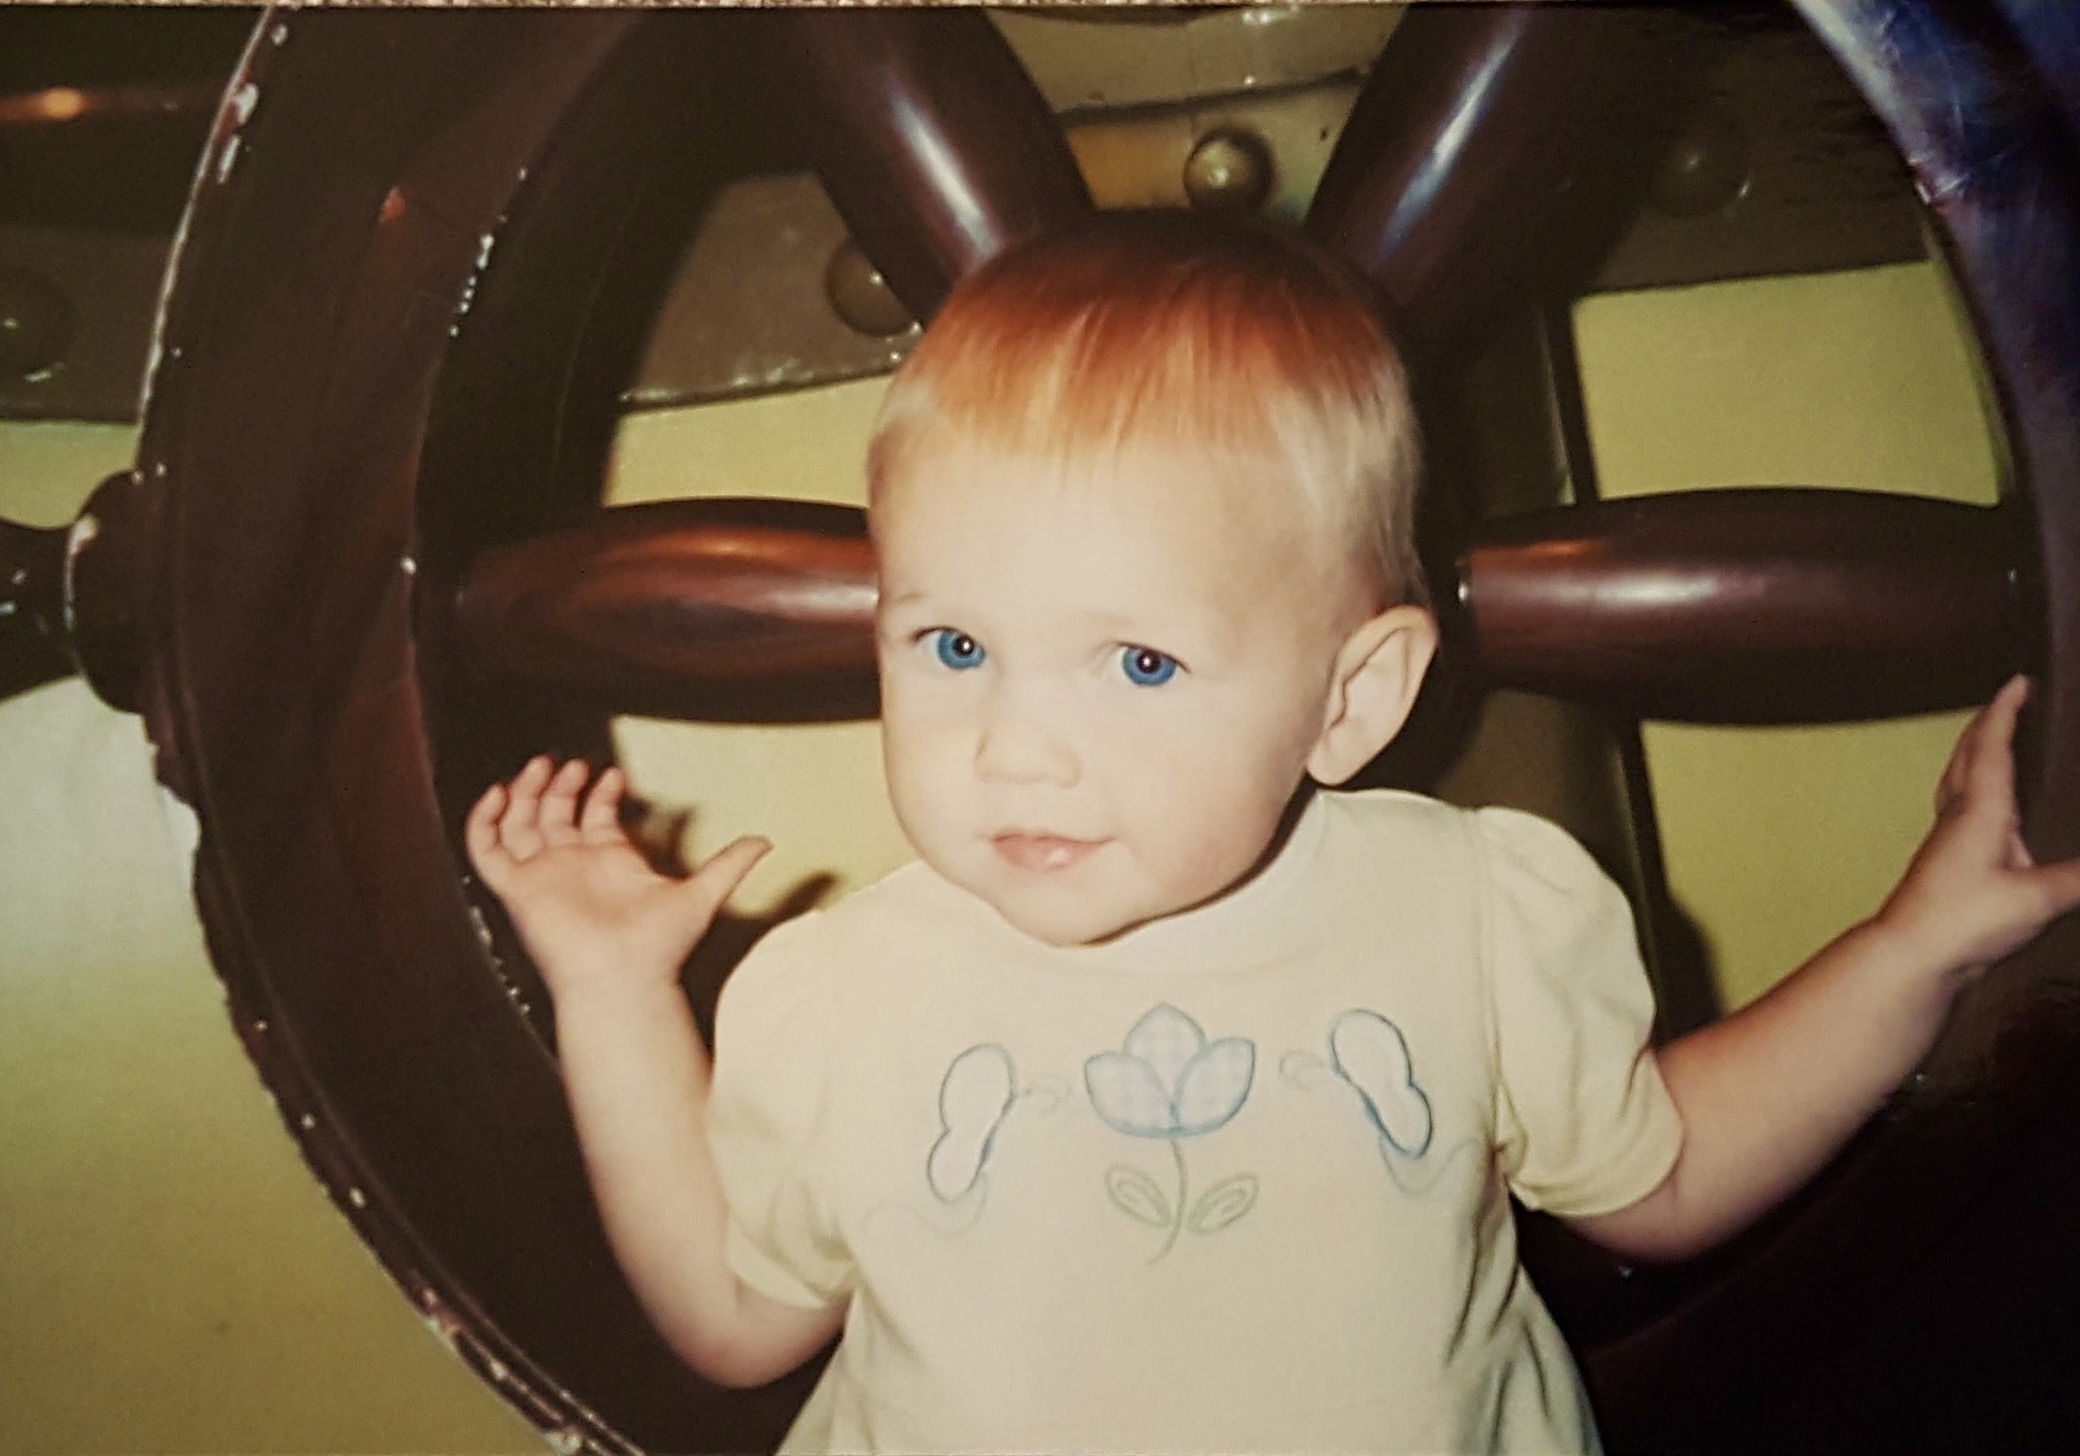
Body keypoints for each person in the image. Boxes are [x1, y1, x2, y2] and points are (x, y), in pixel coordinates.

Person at [465, 214, 2080, 1454]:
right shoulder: (845, 1001)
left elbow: (1659, 1174)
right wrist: (611, 993)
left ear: (1350, 699)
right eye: (953, 646)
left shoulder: (1463, 913)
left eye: (1138, 663)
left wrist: (1913, 952)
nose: (1010, 747)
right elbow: (737, 1321)